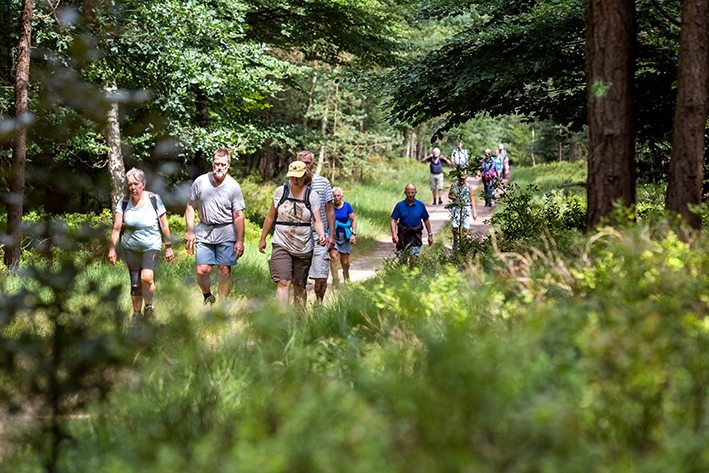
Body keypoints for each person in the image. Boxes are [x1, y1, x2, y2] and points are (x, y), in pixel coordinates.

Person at [108, 168, 174, 320]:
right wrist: (112, 248)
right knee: (135, 283)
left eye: (136, 184)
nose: (133, 187)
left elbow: (164, 225)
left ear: (143, 184)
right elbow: (117, 227)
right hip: (131, 247)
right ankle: (136, 316)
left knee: (147, 277)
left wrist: (169, 247)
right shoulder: (123, 202)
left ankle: (149, 306)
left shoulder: (154, 199)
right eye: (130, 184)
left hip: (151, 245)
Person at [259, 161, 327, 308]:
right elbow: (270, 216)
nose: (295, 180)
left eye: (298, 177)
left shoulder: (312, 195)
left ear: (305, 175)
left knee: (299, 285)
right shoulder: (280, 192)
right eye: (292, 177)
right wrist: (262, 238)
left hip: (303, 246)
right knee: (283, 281)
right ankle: (282, 319)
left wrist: (321, 234)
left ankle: (299, 319)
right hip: (281, 242)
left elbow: (317, 221)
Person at [185, 148, 246, 305]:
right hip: (204, 230)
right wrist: (190, 231)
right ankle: (207, 296)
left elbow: (238, 215)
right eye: (216, 163)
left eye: (223, 164)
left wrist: (240, 241)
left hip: (226, 231)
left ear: (228, 164)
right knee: (202, 270)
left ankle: (221, 305)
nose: (219, 167)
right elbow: (191, 206)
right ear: (212, 163)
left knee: (224, 271)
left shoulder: (233, 186)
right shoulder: (200, 182)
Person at [297, 150, 335, 303]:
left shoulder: (323, 182)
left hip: (320, 236)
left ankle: (319, 303)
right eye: (301, 162)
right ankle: (300, 309)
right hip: (298, 235)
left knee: (321, 275)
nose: (304, 166)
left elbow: (330, 210)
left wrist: (331, 235)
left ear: (312, 164)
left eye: (307, 163)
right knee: (299, 276)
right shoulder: (291, 183)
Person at [390, 184, 434, 260]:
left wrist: (430, 235)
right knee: (402, 261)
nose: (410, 195)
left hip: (415, 235)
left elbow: (426, 220)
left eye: (412, 193)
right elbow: (393, 220)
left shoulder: (420, 205)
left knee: (413, 259)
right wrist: (394, 234)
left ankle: (413, 271)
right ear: (405, 193)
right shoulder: (399, 205)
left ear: (415, 192)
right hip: (403, 235)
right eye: (408, 193)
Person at [329, 187, 356, 285]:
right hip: (333, 234)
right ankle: (335, 280)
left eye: (338, 195)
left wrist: (353, 233)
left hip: (345, 236)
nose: (336, 198)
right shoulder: (329, 206)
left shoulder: (347, 206)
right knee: (333, 256)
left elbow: (353, 220)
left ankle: (346, 274)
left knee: (345, 262)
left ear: (342, 196)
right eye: (334, 196)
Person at [447, 174, 477, 244]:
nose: (461, 181)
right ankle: (455, 241)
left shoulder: (469, 187)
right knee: (455, 226)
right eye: (460, 179)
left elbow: (472, 199)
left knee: (465, 228)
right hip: (456, 207)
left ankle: (463, 244)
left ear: (466, 179)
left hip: (465, 207)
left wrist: (474, 212)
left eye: (463, 179)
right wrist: (453, 197)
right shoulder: (453, 185)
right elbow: (449, 195)